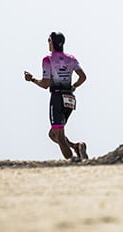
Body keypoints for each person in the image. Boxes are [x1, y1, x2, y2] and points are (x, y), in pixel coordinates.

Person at [24, 31, 89, 161]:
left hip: (57, 98)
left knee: (59, 136)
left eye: (48, 40)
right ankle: (76, 146)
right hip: (70, 99)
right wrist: (74, 86)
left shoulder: (47, 59)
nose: (48, 43)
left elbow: (45, 84)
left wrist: (32, 79)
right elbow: (83, 77)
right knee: (53, 134)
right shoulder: (71, 58)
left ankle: (73, 160)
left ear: (52, 42)